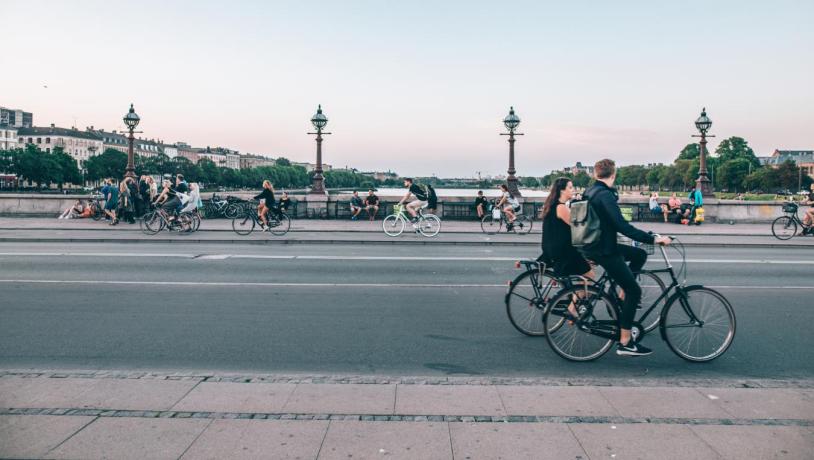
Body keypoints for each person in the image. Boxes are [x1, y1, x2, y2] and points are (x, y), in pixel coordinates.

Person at [582, 159, 670, 357]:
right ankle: (625, 342)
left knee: (639, 254)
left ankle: (621, 296)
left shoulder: (589, 192)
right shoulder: (605, 195)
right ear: (613, 175)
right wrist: (653, 239)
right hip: (604, 249)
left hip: (593, 245)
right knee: (634, 290)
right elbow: (622, 225)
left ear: (595, 174)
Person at [541, 178, 595, 320]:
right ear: (562, 190)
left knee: (582, 271)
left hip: (552, 248)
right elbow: (578, 227)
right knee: (589, 276)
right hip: (563, 251)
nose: (573, 189)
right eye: (570, 187)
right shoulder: (561, 207)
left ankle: (571, 298)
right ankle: (572, 307)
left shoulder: (553, 206)